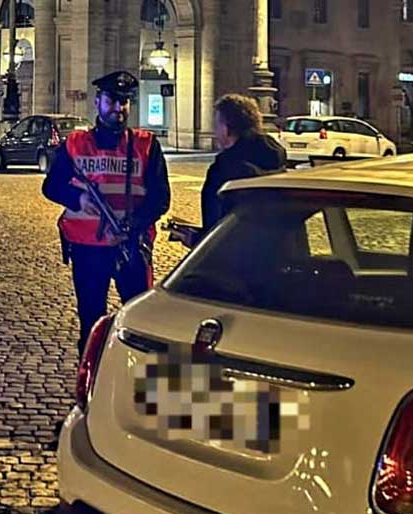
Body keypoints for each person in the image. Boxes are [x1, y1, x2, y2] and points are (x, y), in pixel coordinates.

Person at [42, 71, 171, 353]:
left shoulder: (146, 145)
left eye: (125, 102)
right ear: (98, 101)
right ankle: (90, 385)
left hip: (132, 247)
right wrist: (78, 199)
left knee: (139, 322)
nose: (119, 108)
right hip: (88, 249)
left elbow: (161, 198)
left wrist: (133, 225)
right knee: (90, 321)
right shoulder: (76, 144)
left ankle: (137, 384)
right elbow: (51, 187)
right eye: (112, 100)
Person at [171, 93, 286, 248]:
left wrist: (194, 239)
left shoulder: (224, 170)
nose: (215, 131)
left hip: (236, 264)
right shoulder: (276, 161)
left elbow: (221, 233)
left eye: (217, 124)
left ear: (227, 128)